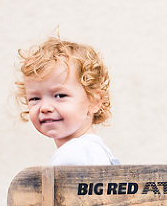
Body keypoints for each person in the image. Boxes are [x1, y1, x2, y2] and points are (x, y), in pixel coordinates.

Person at [15, 37, 118, 165]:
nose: (45, 107)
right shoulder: (97, 150)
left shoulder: (73, 154)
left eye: (60, 96)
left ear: (93, 101)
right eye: (35, 98)